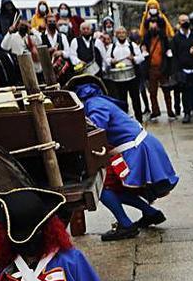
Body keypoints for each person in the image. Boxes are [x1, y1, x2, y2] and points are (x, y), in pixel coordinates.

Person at [68, 74, 177, 241]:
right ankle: (150, 213)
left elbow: (96, 130)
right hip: (138, 146)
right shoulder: (99, 101)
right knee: (118, 188)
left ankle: (126, 225)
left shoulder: (94, 104)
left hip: (137, 148)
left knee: (103, 187)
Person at [138, 0, 174, 120]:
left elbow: (169, 52)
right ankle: (155, 111)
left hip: (162, 67)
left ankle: (170, 110)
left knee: (167, 91)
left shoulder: (164, 39)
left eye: (155, 23)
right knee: (152, 93)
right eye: (151, 24)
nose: (153, 25)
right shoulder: (146, 40)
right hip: (151, 68)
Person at [103, 26, 145, 121]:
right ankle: (125, 119)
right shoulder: (112, 47)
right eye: (119, 33)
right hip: (118, 77)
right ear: (116, 35)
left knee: (135, 98)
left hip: (132, 76)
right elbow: (107, 59)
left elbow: (141, 57)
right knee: (122, 99)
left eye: (123, 33)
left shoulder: (132, 45)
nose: (121, 34)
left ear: (126, 34)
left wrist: (133, 58)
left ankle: (139, 118)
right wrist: (112, 61)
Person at [171, 15, 193, 124]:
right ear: (179, 23)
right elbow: (174, 55)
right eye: (182, 21)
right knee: (185, 93)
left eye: (186, 20)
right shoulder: (176, 38)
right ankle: (187, 113)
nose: (185, 22)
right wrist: (177, 71)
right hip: (183, 70)